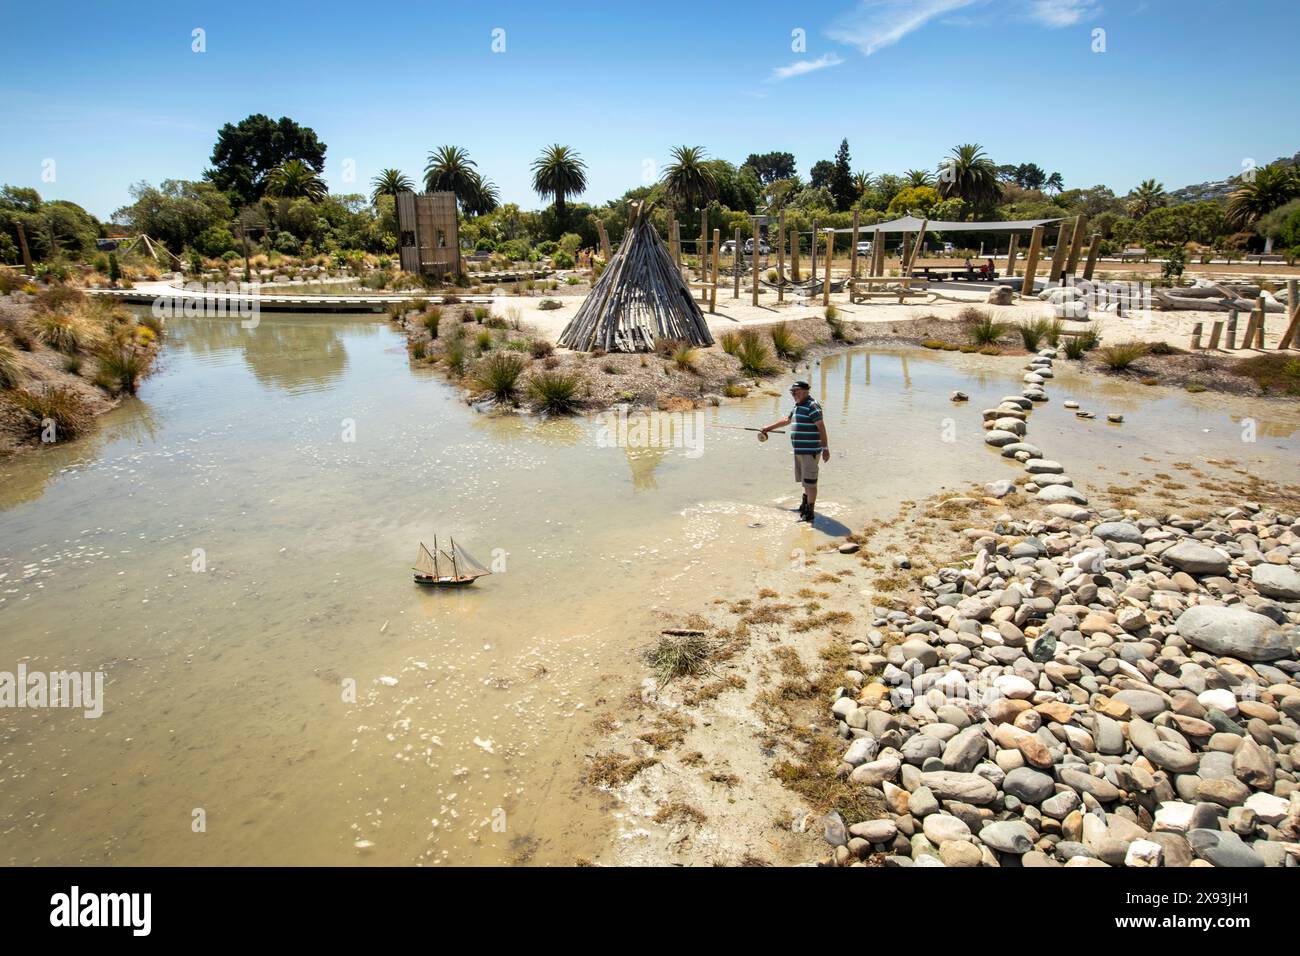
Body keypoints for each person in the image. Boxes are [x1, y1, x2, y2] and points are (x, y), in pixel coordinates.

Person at [760, 381, 829, 522]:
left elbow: (821, 426)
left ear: (804, 391)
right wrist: (769, 428)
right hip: (799, 450)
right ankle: (804, 505)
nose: (793, 394)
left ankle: (810, 512)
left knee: (810, 482)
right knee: (805, 481)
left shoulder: (812, 405)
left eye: (795, 392)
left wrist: (825, 448)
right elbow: (787, 419)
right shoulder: (798, 405)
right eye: (792, 392)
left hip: (810, 451)